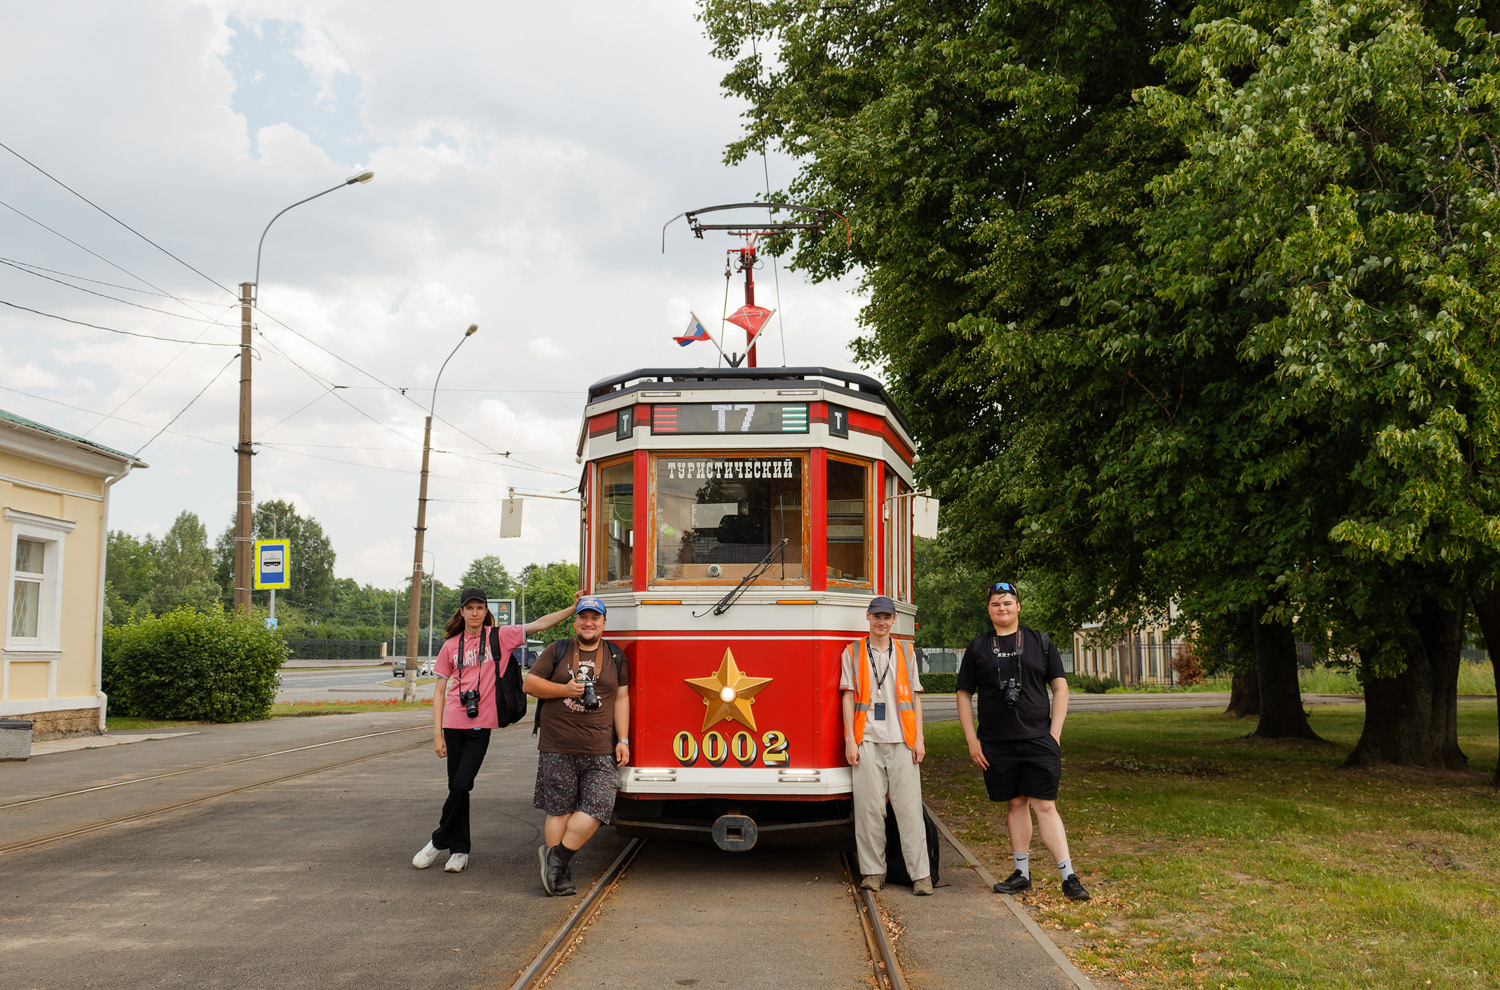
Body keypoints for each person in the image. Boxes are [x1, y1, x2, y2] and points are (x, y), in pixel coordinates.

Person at [411, 587, 580, 874]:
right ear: (462, 612)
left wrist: (573, 609)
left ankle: (438, 840)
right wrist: (437, 734)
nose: (475, 613)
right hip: (453, 724)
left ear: (486, 611)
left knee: (462, 784)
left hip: (480, 726)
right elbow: (439, 692)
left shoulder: (499, 636)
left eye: (480, 608)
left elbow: (539, 623)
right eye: (470, 608)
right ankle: (460, 851)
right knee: (457, 789)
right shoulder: (451, 646)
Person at [955, 581, 1090, 902]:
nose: (1002, 608)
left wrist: (1054, 734)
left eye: (1008, 603)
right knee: (1015, 804)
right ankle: (1021, 874)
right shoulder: (977, 648)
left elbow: (1060, 688)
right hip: (995, 743)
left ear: (1018, 607)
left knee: (1044, 805)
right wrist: (972, 740)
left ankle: (1068, 876)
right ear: (988, 610)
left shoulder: (1040, 642)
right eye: (995, 604)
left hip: (1037, 739)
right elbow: (963, 694)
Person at [524, 595, 629, 896]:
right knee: (559, 811)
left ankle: (556, 859)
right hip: (557, 744)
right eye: (584, 617)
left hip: (599, 746)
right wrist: (565, 689)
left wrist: (622, 739)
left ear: (604, 624)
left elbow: (622, 699)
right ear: (576, 622)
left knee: (599, 805)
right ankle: (559, 875)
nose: (588, 622)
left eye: (595, 618)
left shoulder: (615, 656)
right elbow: (529, 685)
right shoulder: (557, 650)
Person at [841, 595, 933, 895]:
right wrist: (850, 741)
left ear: (894, 620)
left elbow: (915, 697)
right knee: (869, 811)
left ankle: (921, 876)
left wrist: (918, 738)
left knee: (908, 810)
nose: (881, 622)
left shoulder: (906, 652)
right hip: (866, 740)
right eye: (877, 616)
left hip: (902, 741)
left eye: (886, 617)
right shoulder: (852, 652)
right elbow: (848, 696)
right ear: (868, 617)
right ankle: (872, 873)